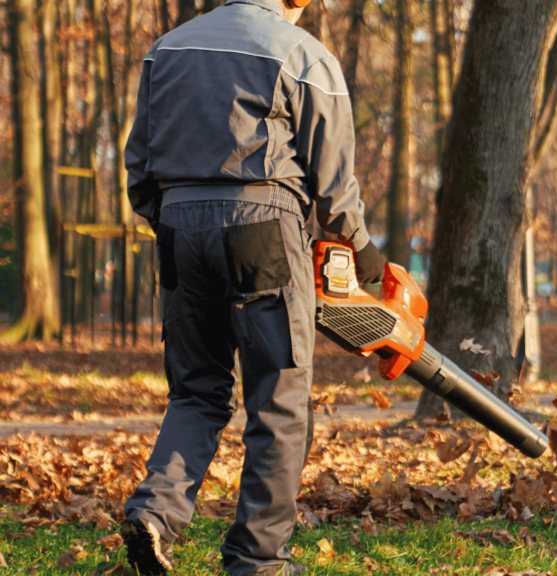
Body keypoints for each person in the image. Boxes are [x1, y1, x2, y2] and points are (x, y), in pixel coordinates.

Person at [119, 0, 384, 572]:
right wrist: (361, 249)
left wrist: (170, 218)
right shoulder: (303, 54)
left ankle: (154, 513)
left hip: (177, 227)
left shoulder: (167, 48)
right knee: (279, 398)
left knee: (196, 390)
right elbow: (334, 182)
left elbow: (139, 165)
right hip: (262, 226)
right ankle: (257, 559)